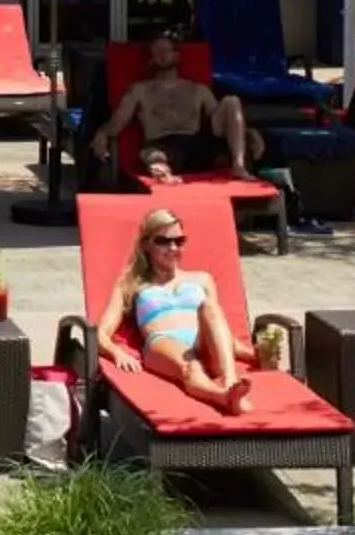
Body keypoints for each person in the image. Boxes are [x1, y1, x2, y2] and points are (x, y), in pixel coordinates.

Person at [94, 205, 252, 415]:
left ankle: (230, 381)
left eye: (178, 241)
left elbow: (220, 332)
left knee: (209, 306)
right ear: (145, 245)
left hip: (203, 344)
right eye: (163, 241)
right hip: (163, 343)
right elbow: (99, 333)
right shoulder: (131, 284)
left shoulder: (202, 279)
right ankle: (223, 397)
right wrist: (117, 353)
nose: (173, 248)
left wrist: (255, 354)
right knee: (191, 367)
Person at [89, 34, 260, 183]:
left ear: (177, 55)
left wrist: (249, 132)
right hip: (162, 144)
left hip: (197, 144)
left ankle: (239, 167)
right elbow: (117, 123)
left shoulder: (198, 89)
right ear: (151, 60)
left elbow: (222, 123)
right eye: (157, 52)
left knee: (231, 101)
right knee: (152, 155)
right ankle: (163, 176)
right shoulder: (140, 90)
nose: (162, 55)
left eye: (166, 50)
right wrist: (102, 133)